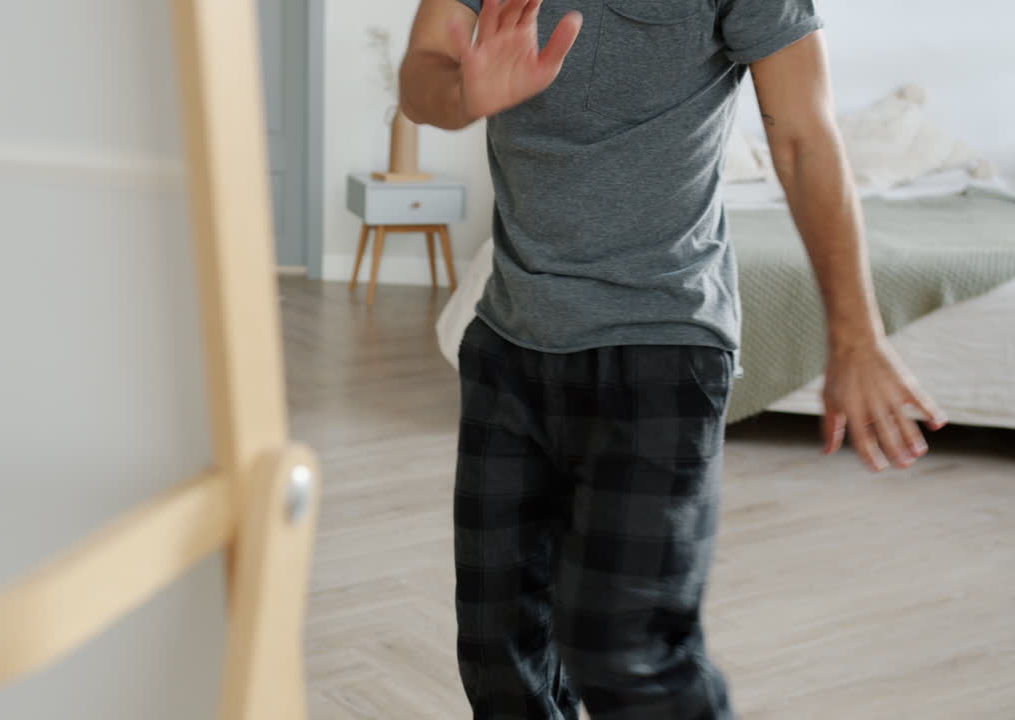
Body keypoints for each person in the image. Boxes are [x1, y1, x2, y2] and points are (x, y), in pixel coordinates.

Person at [398, 1, 949, 718]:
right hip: (511, 336)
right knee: (499, 653)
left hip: (662, 346)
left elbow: (805, 139)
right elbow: (420, 76)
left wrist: (855, 337)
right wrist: (465, 94)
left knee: (624, 653)